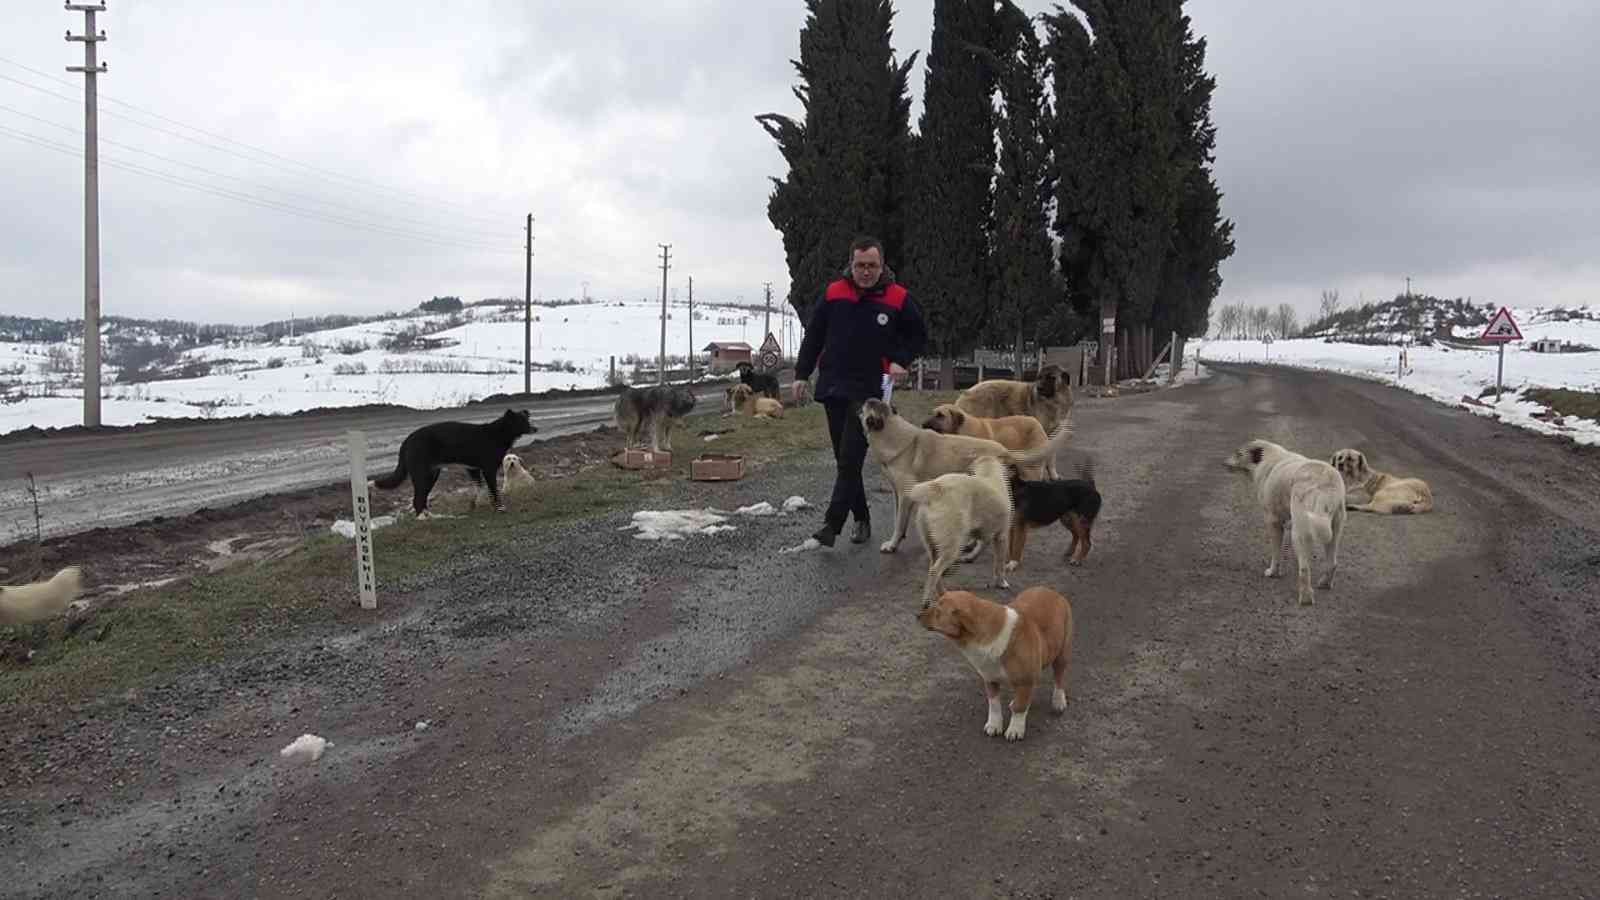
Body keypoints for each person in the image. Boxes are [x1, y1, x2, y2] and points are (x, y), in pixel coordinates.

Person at [792, 235, 928, 547]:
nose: (866, 271)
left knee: (850, 457)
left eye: (872, 266)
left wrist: (900, 361)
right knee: (844, 458)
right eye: (860, 265)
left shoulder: (898, 298)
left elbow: (918, 335)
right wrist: (801, 373)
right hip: (833, 385)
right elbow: (814, 335)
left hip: (869, 392)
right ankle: (863, 518)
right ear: (851, 265)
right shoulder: (833, 293)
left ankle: (831, 525)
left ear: (882, 266)